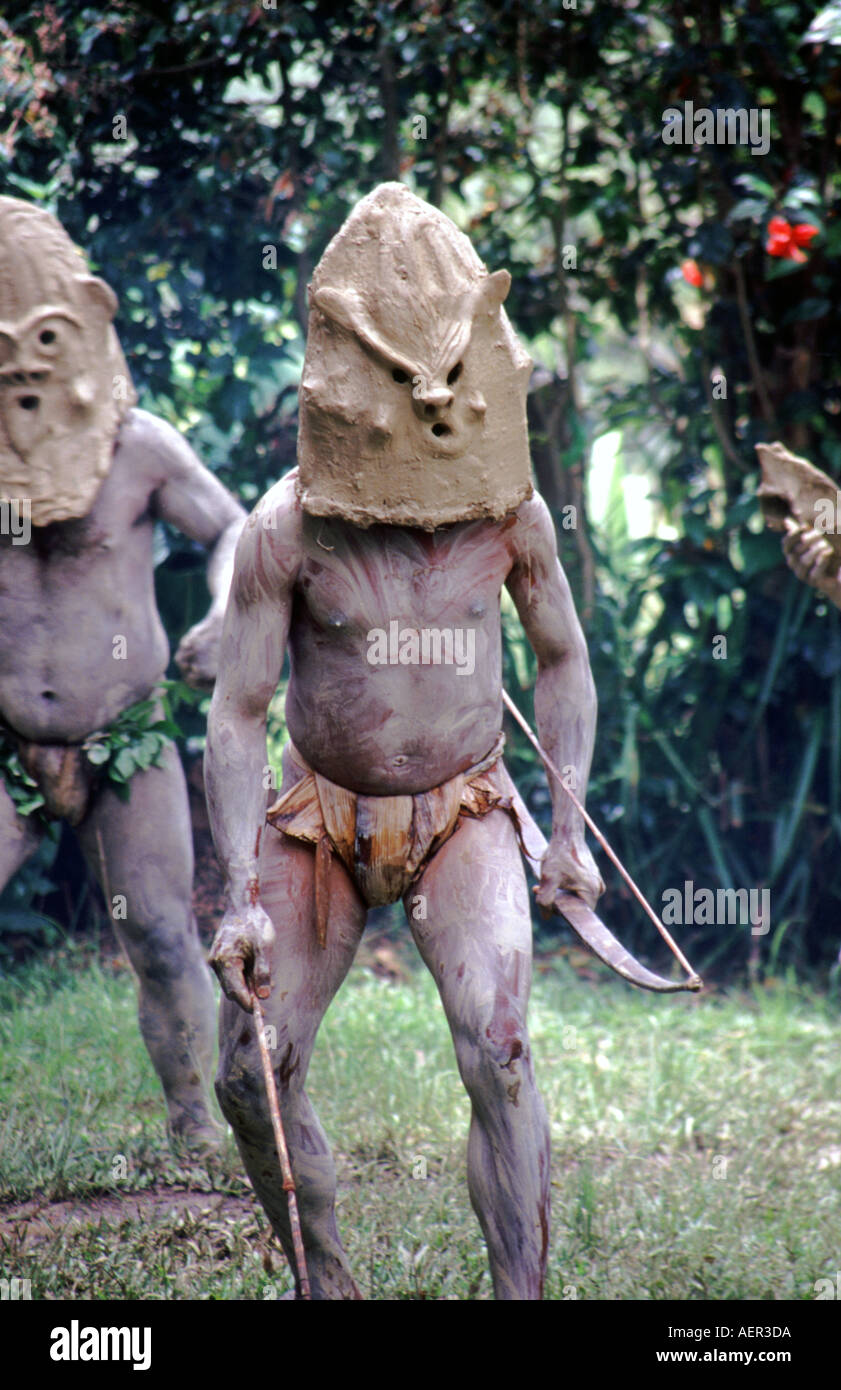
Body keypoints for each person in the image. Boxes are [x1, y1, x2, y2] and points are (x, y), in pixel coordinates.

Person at [205, 183, 603, 1297]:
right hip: (317, 814)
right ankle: (323, 1284)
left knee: (502, 1045)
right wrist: (236, 891)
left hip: (461, 810)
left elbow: (562, 661)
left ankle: (517, 1293)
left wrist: (565, 828)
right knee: (253, 1070)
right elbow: (236, 710)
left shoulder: (510, 517)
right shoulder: (283, 528)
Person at [0, 197, 246, 1150]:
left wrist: (228, 609)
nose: (23, 368)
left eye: (44, 339)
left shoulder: (139, 447)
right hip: (8, 742)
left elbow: (231, 529)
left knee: (158, 932)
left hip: (126, 736)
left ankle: (198, 1126)